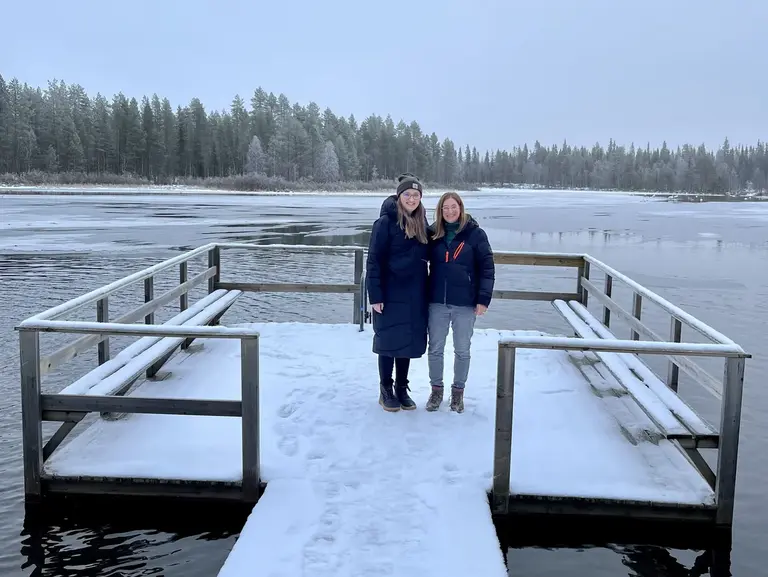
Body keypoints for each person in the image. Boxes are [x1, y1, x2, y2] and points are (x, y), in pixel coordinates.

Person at [425, 192, 495, 413]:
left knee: (462, 349)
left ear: (461, 208)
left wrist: (483, 299)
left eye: (453, 207)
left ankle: (458, 393)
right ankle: (436, 391)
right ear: (440, 210)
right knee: (435, 348)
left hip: (465, 303)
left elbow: (487, 268)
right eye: (445, 208)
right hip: (437, 301)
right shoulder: (433, 234)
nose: (449, 211)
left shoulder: (475, 234)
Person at [366, 173, 430, 412]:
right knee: (388, 341)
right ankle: (386, 389)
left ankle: (402, 388)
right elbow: (374, 261)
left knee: (407, 341)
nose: (411, 199)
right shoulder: (385, 223)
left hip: (415, 294)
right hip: (390, 293)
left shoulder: (422, 223)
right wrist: (376, 296)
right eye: (407, 194)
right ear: (399, 196)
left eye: (416, 195)